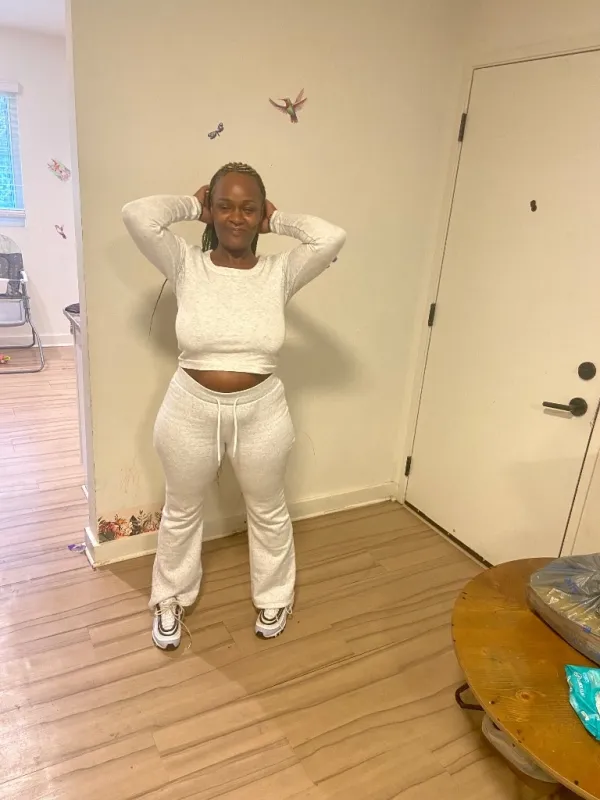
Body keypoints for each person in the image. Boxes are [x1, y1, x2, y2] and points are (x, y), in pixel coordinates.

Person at [122, 162, 346, 650]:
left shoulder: (279, 272)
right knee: (182, 510)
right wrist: (192, 206)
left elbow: (331, 238)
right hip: (189, 408)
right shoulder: (186, 264)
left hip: (262, 410)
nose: (236, 218)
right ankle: (169, 597)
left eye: (248, 208)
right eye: (224, 206)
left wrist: (278, 220)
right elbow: (137, 215)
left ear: (261, 213)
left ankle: (275, 595)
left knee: (267, 509)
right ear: (212, 210)